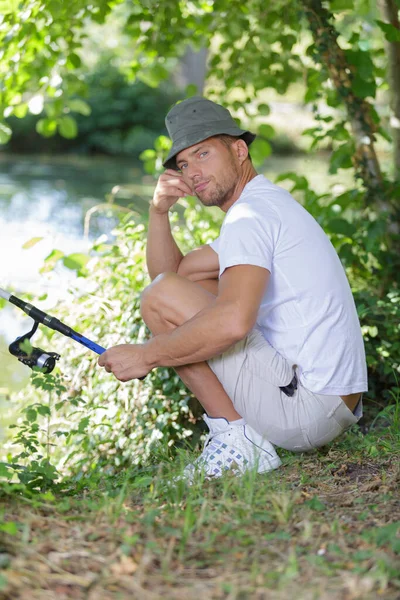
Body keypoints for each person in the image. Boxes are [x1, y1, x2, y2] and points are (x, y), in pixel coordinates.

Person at [99, 96, 367, 481]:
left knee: (163, 299)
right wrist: (158, 213)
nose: (193, 172)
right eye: (184, 164)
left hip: (307, 408)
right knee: (174, 289)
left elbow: (231, 321)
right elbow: (172, 276)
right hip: (328, 405)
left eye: (203, 153)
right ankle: (243, 436)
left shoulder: (250, 216)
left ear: (240, 150)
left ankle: (240, 441)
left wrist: (147, 355)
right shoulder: (264, 205)